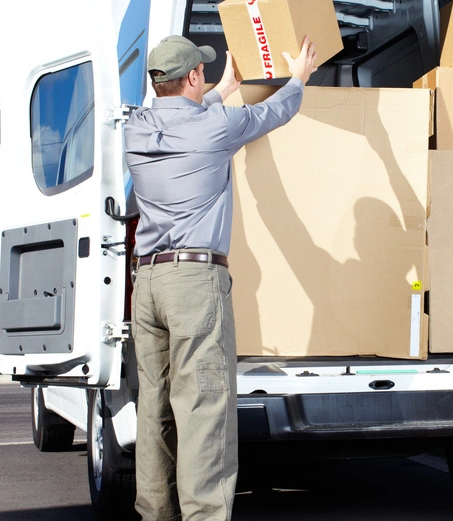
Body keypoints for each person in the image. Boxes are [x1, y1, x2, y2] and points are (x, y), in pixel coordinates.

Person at [123, 34, 318, 521]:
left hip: (146, 286)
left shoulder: (137, 129)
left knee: (156, 410)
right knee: (204, 410)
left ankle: (156, 514)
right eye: (202, 73)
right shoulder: (217, 128)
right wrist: (299, 77)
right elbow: (274, 113)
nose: (206, 77)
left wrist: (223, 88)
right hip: (194, 285)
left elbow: (185, 116)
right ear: (190, 77)